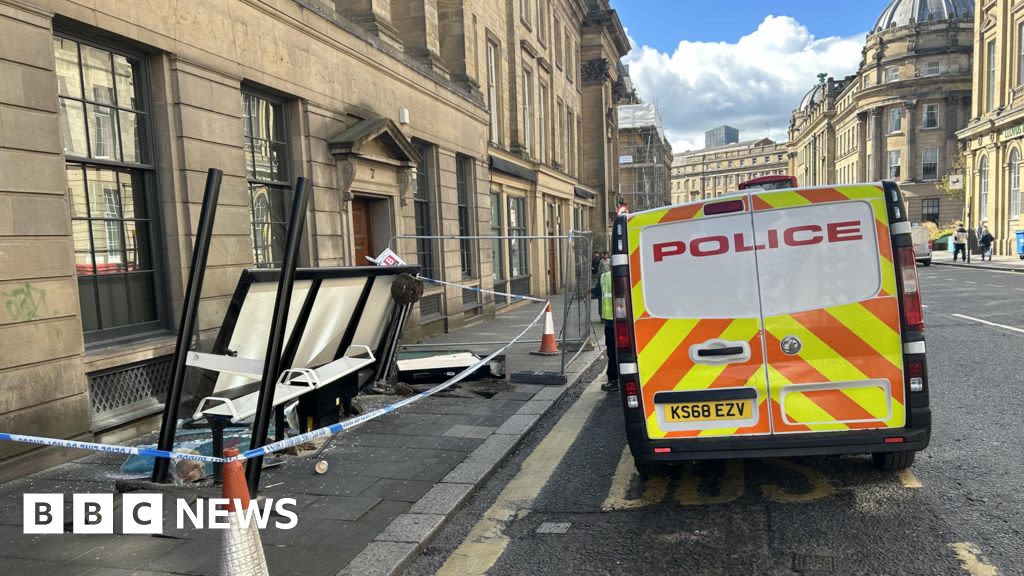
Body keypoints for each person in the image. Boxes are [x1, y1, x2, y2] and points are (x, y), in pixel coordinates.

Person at [592, 268, 617, 391]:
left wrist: (590, 291)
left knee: (613, 352)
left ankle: (613, 380)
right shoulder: (632, 270)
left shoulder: (604, 277)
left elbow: (596, 292)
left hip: (611, 322)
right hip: (630, 321)